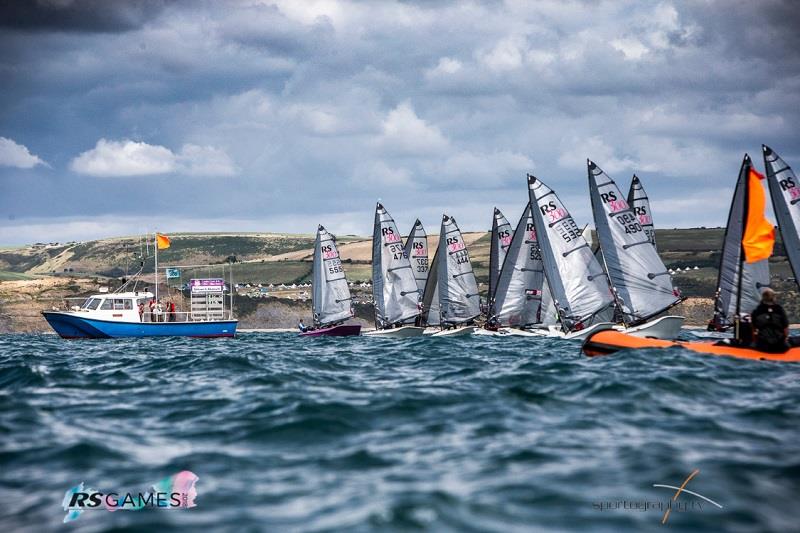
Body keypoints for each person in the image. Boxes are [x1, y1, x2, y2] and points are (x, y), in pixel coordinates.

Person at [751, 288, 789, 353]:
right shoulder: (779, 310)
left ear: (763, 298)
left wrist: (755, 340)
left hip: (763, 345)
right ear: (773, 298)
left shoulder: (756, 311)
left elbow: (753, 330)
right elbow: (785, 328)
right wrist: (785, 339)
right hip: (780, 345)